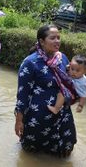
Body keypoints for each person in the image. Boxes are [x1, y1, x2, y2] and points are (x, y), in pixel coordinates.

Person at [14, 25, 77, 156]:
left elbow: (69, 81)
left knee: (65, 150)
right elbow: (22, 94)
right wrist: (19, 120)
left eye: (59, 37)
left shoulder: (62, 58)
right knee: (32, 153)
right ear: (42, 41)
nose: (57, 41)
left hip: (61, 112)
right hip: (39, 116)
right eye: (52, 38)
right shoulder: (30, 63)